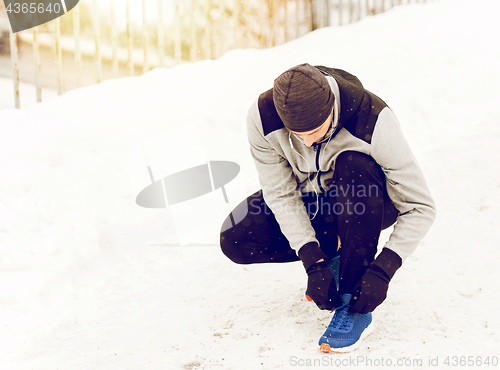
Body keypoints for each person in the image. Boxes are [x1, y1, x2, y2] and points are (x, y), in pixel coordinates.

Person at [219, 63, 436, 353]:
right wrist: (313, 261)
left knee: (354, 165)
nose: (307, 142)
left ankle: (353, 304)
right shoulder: (262, 118)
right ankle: (333, 254)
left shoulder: (372, 119)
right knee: (237, 238)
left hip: (367, 199)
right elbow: (280, 194)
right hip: (313, 199)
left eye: (315, 131)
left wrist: (383, 270)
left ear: (331, 108)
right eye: (298, 135)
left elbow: (420, 206)